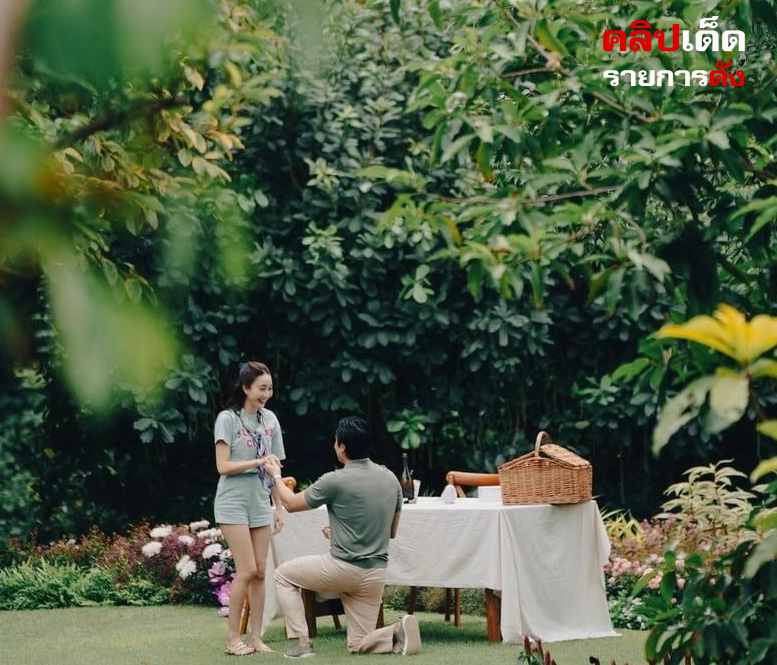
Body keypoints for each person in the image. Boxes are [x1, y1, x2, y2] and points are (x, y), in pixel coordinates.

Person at [264, 416, 422, 659]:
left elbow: (292, 504)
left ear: (342, 446)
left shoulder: (334, 480)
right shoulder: (391, 478)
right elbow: (390, 532)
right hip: (375, 574)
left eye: (336, 441)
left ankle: (303, 643)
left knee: (283, 575)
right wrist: (339, 533)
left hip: (342, 569)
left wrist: (275, 475)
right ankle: (396, 632)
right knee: (358, 645)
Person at [214, 361, 286, 656]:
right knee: (245, 570)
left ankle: (256, 638)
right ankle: (233, 639)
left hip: (260, 502)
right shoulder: (227, 419)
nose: (266, 394)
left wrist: (278, 506)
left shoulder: (270, 420)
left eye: (270, 388)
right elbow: (222, 466)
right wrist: (257, 462)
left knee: (260, 572)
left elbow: (275, 467)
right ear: (245, 388)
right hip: (232, 503)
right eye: (261, 388)